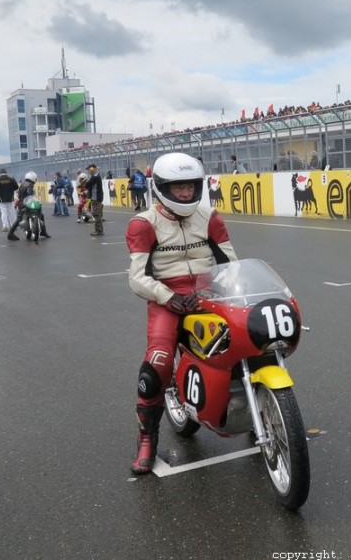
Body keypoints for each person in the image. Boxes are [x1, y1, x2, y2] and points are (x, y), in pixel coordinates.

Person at [125, 152, 237, 474]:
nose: (186, 193)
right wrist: (168, 296)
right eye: (178, 188)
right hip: (167, 299)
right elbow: (137, 277)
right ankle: (147, 439)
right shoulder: (143, 224)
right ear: (162, 188)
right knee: (157, 364)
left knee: (251, 338)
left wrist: (233, 291)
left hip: (209, 293)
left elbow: (230, 263)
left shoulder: (210, 217)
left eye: (190, 186)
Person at [6, 172, 51, 241]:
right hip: (26, 203)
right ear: (33, 178)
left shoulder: (23, 184)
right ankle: (43, 232)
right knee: (40, 214)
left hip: (22, 204)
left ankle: (10, 233)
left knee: (18, 219)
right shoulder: (30, 185)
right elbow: (30, 194)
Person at [0, 168, 19, 232]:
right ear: (6, 172)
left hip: (1, 199)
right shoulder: (11, 179)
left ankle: (5, 226)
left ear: (0, 173)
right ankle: (14, 226)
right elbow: (16, 187)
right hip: (10, 198)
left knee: (4, 213)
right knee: (12, 212)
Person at [85, 163, 104, 236]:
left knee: (96, 214)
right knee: (96, 214)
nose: (88, 172)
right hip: (95, 197)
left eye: (89, 170)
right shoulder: (95, 176)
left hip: (96, 198)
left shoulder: (95, 177)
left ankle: (98, 230)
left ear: (92, 169)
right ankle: (99, 230)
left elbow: (87, 185)